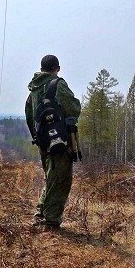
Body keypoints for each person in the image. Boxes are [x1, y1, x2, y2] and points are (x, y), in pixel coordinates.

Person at [25, 55, 81, 230]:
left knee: (50, 176)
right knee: (62, 179)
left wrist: (38, 136)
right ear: (57, 68)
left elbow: (29, 114)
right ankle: (51, 219)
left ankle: (41, 212)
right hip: (60, 141)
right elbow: (74, 108)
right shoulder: (58, 84)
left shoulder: (33, 89)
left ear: (41, 69)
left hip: (43, 141)